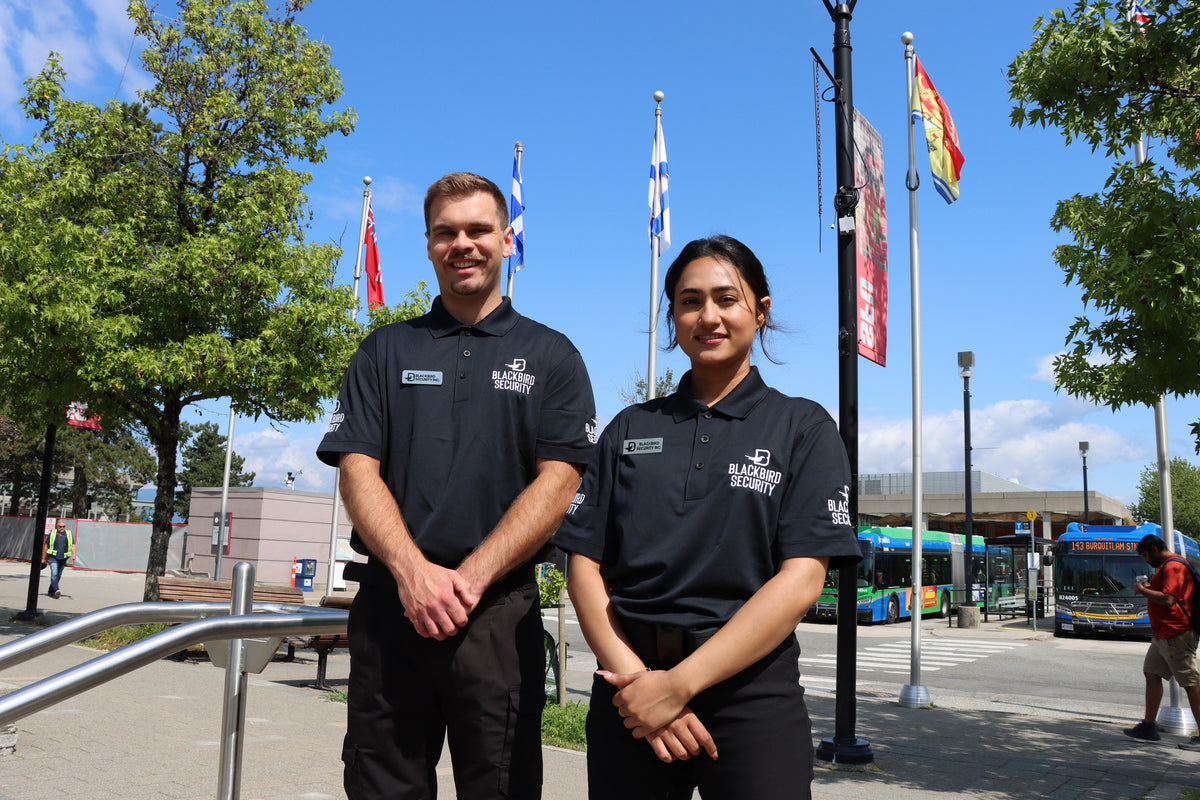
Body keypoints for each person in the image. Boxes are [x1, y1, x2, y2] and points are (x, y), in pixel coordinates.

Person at [316, 172, 595, 799]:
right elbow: (357, 468)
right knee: (381, 786)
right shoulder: (383, 351)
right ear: (428, 243)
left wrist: (468, 580)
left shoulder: (554, 357)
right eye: (446, 232)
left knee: (501, 787)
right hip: (394, 607)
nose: (462, 244)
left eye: (477, 230)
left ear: (505, 238)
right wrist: (414, 575)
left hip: (497, 614)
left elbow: (560, 480)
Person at [555, 235, 861, 800]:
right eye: (690, 301)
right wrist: (642, 684)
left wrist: (680, 686)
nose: (708, 316)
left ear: (761, 311)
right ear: (673, 316)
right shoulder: (628, 428)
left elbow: (802, 578)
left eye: (727, 298)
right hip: (629, 686)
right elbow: (583, 565)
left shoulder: (804, 430)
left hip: (749, 694)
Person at [1124, 532, 1200, 750]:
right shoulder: (1167, 567)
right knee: (1152, 673)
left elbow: (1169, 599)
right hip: (1163, 635)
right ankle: (1148, 726)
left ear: (1155, 549)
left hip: (1177, 633)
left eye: (1146, 556)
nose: (1146, 560)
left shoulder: (1174, 566)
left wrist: (1143, 590)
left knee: (1190, 683)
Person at [42, 519, 74, 599]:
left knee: (58, 575)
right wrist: (43, 558)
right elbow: (46, 546)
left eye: (63, 526)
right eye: (60, 526)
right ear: (57, 526)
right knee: (54, 574)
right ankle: (56, 590)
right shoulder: (52, 534)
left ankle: (51, 590)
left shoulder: (68, 534)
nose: (62, 528)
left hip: (63, 558)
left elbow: (73, 545)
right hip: (53, 558)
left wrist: (74, 555)